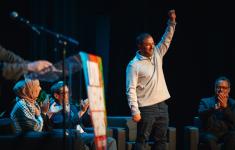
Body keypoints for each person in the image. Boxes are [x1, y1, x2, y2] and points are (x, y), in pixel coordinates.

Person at [125, 10, 176, 149]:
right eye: (148, 44)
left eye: (153, 43)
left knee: (161, 140)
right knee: (142, 140)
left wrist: (171, 22)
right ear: (140, 46)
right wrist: (134, 111)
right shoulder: (133, 65)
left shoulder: (157, 54)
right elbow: (130, 89)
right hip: (146, 107)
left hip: (162, 105)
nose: (152, 46)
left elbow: (167, 39)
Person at [48, 81, 117, 150]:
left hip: (83, 134)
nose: (68, 95)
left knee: (108, 140)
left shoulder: (72, 106)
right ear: (56, 95)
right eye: (65, 93)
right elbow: (65, 124)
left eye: (69, 92)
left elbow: (83, 122)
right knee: (109, 141)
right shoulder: (54, 109)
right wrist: (82, 111)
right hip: (73, 137)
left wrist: (88, 111)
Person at [0, 44, 53, 116]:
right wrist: (29, 66)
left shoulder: (33, 103)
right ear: (25, 91)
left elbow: (6, 55)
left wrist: (32, 65)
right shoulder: (21, 106)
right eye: (37, 86)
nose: (40, 88)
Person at [198, 76, 235, 150]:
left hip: (225, 134)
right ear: (215, 88)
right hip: (209, 133)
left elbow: (234, 122)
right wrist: (214, 108)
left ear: (229, 90)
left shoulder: (234, 104)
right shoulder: (205, 101)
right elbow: (201, 114)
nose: (221, 90)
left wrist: (225, 107)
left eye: (224, 88)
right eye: (218, 87)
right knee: (209, 139)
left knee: (233, 135)